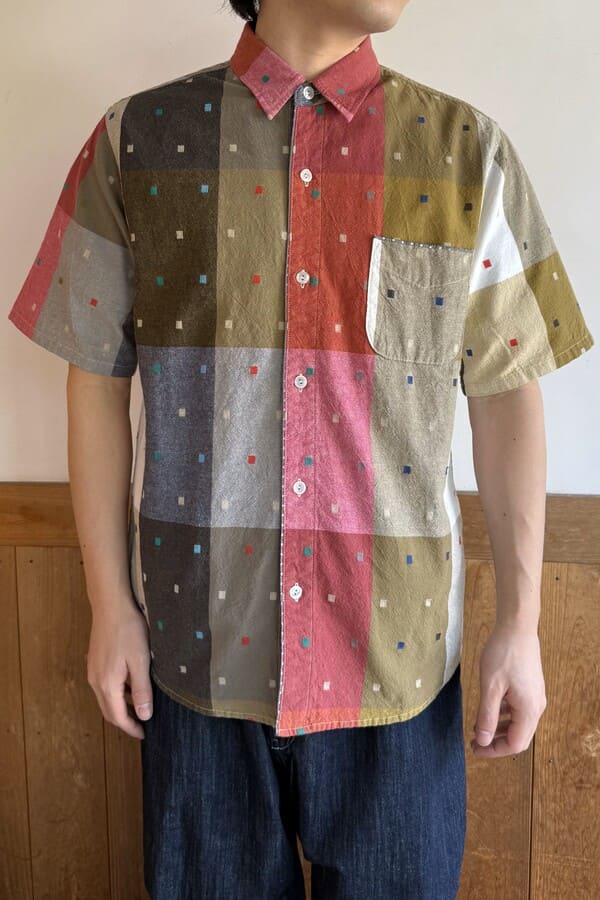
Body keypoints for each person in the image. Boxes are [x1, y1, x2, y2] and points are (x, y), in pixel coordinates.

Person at [7, 0, 595, 897]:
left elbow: (508, 393)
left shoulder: (466, 152)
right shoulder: (138, 143)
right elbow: (94, 378)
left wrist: (522, 622)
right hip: (197, 664)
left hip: (398, 675)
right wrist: (108, 604)